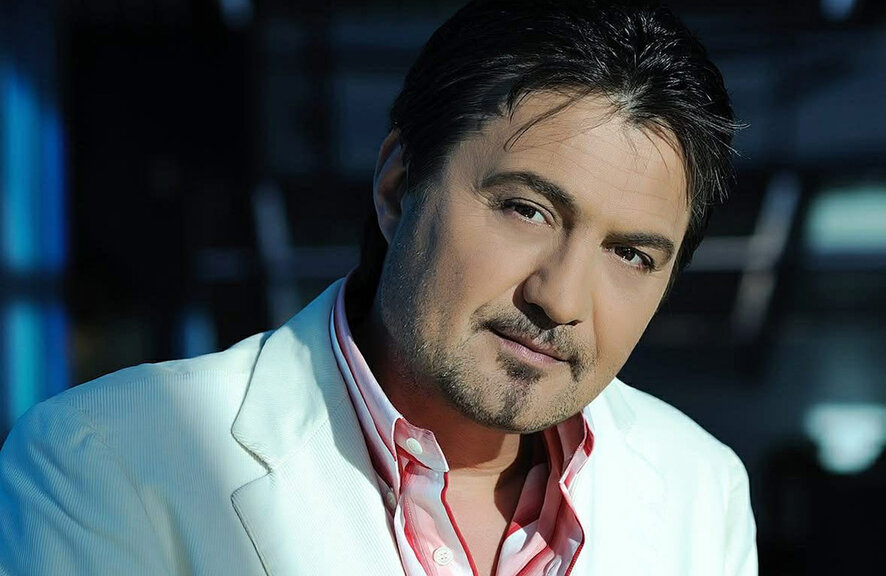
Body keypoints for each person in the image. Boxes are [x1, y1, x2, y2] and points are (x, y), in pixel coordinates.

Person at [0, 1, 756, 574]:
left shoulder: (700, 487)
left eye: (631, 254)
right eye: (526, 210)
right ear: (398, 187)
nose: (559, 299)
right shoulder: (107, 458)